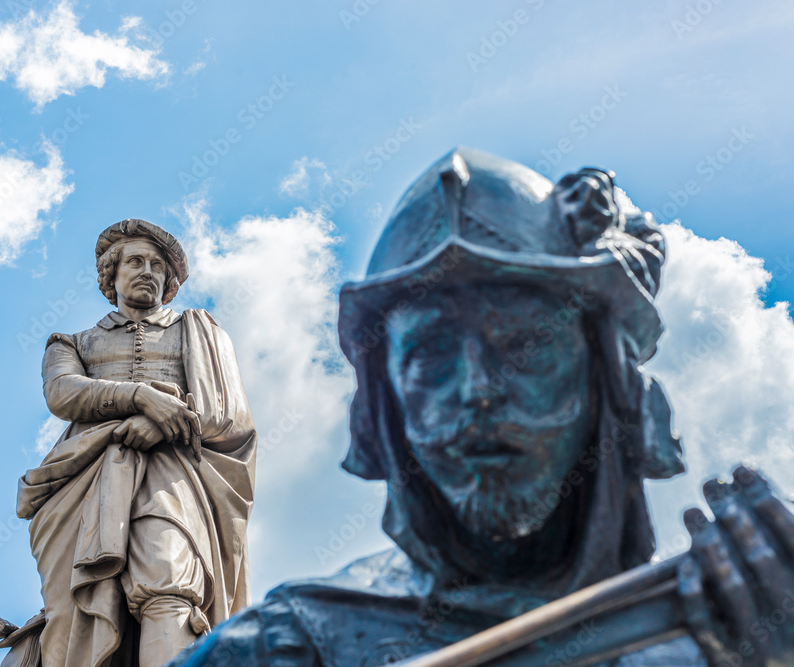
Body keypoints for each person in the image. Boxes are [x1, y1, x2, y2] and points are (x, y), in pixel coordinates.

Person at [165, 148, 794, 666]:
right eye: (432, 354)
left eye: (525, 345)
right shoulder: (282, 652)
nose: (477, 390)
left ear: (607, 380)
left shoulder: (727, 634)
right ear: (386, 405)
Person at [0, 219, 257, 667]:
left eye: (157, 265)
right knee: (73, 618)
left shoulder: (201, 332)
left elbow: (229, 412)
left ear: (170, 281)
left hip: (175, 474)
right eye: (135, 261)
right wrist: (141, 398)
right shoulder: (71, 343)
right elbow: (63, 394)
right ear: (111, 275)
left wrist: (164, 426)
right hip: (83, 482)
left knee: (169, 582)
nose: (147, 270)